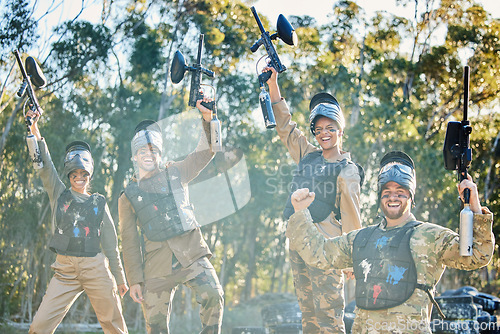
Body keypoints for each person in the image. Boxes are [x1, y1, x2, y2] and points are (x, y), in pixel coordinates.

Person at [286, 151, 495, 334]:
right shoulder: (361, 238)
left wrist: (474, 205)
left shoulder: (429, 236)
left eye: (400, 193)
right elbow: (320, 253)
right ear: (379, 198)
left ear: (411, 198)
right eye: (386, 193)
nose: (392, 198)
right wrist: (300, 212)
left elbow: (477, 255)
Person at [264, 66, 363, 333]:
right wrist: (273, 85)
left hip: (327, 249)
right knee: (308, 320)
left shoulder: (347, 169)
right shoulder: (308, 155)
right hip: (298, 245)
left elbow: (352, 214)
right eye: (318, 130)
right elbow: (285, 127)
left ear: (340, 131)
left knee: (329, 321)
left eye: (330, 128)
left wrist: (351, 258)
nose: (323, 134)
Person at [118, 98, 224, 334]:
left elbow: (206, 152)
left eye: (153, 150)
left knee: (214, 295)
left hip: (191, 253)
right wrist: (135, 279)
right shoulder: (128, 197)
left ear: (160, 152)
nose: (148, 154)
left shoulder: (176, 172)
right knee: (154, 325)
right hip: (157, 266)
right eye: (142, 151)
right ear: (134, 156)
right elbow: (129, 241)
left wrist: (208, 120)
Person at [25, 108, 128, 334]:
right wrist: (34, 127)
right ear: (69, 175)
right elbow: (45, 165)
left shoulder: (99, 203)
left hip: (96, 267)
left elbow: (111, 246)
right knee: (39, 326)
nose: (79, 179)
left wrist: (120, 278)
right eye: (74, 175)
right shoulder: (59, 193)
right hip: (65, 270)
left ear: (89, 175)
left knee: (114, 326)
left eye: (83, 175)